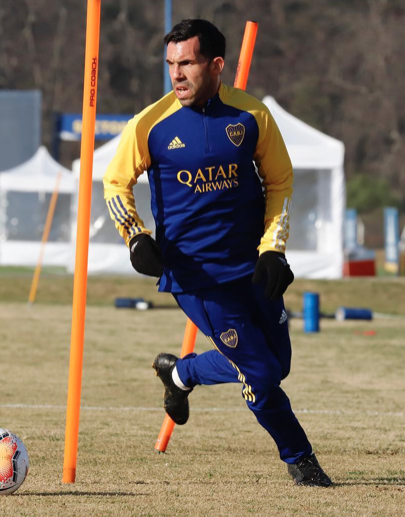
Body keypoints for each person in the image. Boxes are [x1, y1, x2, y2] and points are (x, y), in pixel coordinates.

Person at [103, 19, 332, 487]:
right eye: (171, 64)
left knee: (277, 363)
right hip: (195, 276)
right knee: (263, 373)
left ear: (216, 64)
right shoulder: (150, 124)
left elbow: (280, 182)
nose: (177, 74)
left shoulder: (251, 117)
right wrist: (135, 237)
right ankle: (301, 459)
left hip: (252, 268)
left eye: (186, 63)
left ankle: (181, 373)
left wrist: (274, 249)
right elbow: (115, 182)